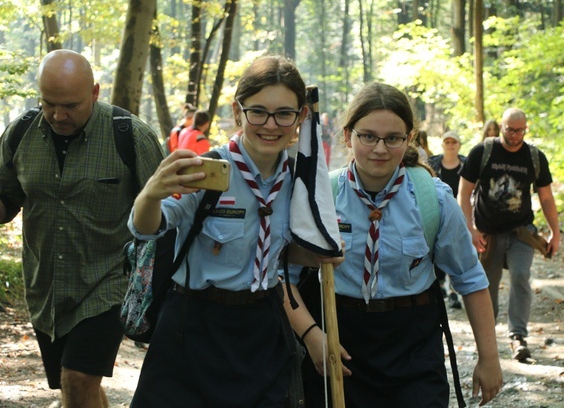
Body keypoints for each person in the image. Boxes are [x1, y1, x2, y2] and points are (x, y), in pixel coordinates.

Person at [128, 55, 341, 407]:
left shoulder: (302, 181)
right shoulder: (207, 169)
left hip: (262, 326)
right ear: (237, 111)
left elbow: (288, 253)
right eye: (258, 111)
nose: (270, 125)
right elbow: (147, 229)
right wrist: (151, 194)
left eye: (284, 113)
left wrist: (325, 252)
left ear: (301, 116)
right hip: (193, 325)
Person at [284, 82, 502, 407]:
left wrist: (489, 357)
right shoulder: (320, 200)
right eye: (368, 136)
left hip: (413, 346)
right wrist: (313, 336)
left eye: (393, 138)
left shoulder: (433, 200)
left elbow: (469, 279)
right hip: (339, 340)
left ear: (409, 138)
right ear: (348, 136)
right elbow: (283, 278)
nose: (380, 149)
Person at [0, 49, 165, 407]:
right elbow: (7, 200)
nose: (58, 115)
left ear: (94, 92)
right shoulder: (21, 134)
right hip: (47, 288)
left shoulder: (130, 136)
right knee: (74, 385)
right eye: (49, 103)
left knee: (76, 379)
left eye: (71, 105)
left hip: (108, 284)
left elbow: (168, 215)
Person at [458, 107, 560, 363]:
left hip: (521, 232)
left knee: (521, 276)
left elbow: (546, 197)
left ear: (526, 129)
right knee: (486, 287)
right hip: (487, 233)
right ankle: (487, 339)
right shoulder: (483, 152)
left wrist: (555, 232)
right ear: (501, 127)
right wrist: (470, 229)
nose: (515, 135)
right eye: (510, 129)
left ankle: (518, 337)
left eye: (520, 130)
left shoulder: (534, 156)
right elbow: (464, 192)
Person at [427, 131, 466, 309]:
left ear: (459, 144)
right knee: (438, 250)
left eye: (454, 142)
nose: (450, 145)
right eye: (447, 142)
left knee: (455, 252)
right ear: (442, 144)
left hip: (460, 214)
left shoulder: (466, 164)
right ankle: (441, 285)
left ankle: (453, 292)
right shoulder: (433, 164)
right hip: (438, 214)